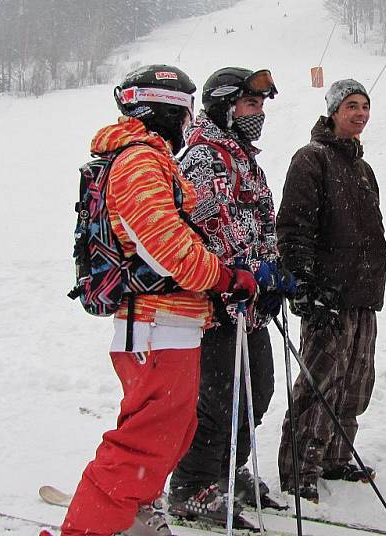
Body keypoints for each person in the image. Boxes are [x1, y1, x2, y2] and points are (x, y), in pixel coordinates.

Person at [61, 65, 257, 536]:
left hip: (168, 323)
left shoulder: (151, 159)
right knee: (145, 443)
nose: (189, 120)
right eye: (185, 108)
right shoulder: (139, 161)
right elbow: (168, 247)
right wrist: (226, 276)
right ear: (163, 107)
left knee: (170, 434)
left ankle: (133, 514)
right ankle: (91, 527)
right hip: (154, 324)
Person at [167, 67, 291, 530]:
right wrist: (244, 269)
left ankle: (226, 469)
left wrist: (273, 269)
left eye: (260, 106)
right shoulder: (203, 155)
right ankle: (192, 484)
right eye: (251, 104)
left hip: (248, 302)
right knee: (218, 401)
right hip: (216, 302)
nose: (258, 114)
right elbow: (211, 220)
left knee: (257, 390)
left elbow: (259, 218)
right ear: (224, 105)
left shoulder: (240, 154)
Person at [276, 79, 386, 502]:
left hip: (362, 294)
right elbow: (293, 227)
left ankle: (335, 457)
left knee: (356, 383)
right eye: (351, 106)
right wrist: (303, 285)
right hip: (328, 295)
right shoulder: (311, 160)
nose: (359, 113)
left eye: (364, 106)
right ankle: (299, 466)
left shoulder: (362, 167)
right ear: (334, 111)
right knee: (320, 382)